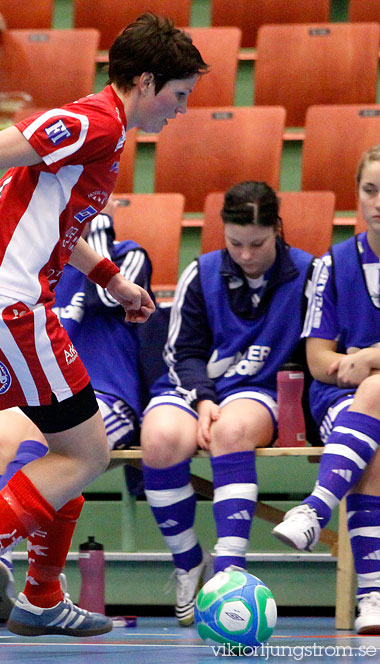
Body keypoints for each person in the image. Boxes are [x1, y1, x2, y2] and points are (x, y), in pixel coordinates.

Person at [0, 13, 208, 654]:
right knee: (87, 454)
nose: (181, 109)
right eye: (179, 95)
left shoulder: (107, 134)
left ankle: (41, 599)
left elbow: (59, 220)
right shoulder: (97, 121)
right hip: (0, 299)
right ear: (145, 81)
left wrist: (111, 278)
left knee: (72, 448)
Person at [139, 181, 318, 627]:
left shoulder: (310, 272)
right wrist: (201, 398)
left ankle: (228, 574)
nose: (245, 254)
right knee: (158, 438)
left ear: (277, 229)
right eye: (234, 243)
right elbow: (182, 352)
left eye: (256, 243)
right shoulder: (200, 273)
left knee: (231, 431)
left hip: (262, 387)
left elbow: (313, 345)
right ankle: (187, 562)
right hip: (194, 386)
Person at [0, 199, 153, 619]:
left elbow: (111, 302)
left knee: (45, 441)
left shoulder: (129, 256)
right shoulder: (36, 264)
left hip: (105, 391)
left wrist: (91, 232)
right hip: (46, 387)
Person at [272, 145, 380, 634]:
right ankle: (374, 601)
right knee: (374, 443)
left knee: (377, 391)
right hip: (340, 398)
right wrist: (355, 370)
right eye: (370, 190)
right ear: (357, 194)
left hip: (363, 390)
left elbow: (354, 363)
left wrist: (370, 360)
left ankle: (315, 510)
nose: (378, 202)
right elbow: (318, 361)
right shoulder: (334, 263)